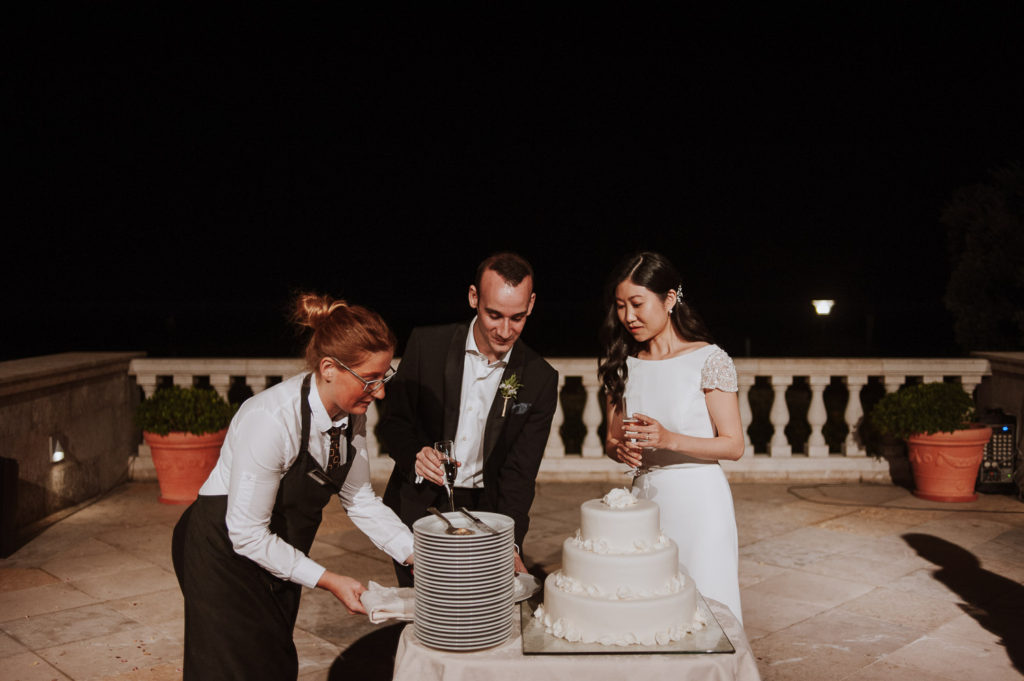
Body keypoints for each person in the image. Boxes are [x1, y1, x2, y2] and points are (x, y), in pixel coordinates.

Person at [171, 293, 415, 680]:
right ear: (329, 368)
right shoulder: (271, 420)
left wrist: (417, 554)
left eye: (385, 377)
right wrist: (329, 580)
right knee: (235, 668)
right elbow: (247, 534)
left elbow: (359, 499)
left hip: (278, 549)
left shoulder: (352, 416)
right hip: (223, 552)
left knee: (275, 662)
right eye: (370, 379)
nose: (380, 392)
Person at [380, 252, 558, 585]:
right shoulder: (427, 345)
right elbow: (393, 423)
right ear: (474, 297)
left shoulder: (540, 378)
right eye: (494, 315)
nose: (505, 330)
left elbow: (520, 473)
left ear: (531, 304)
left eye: (517, 318)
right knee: (423, 606)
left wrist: (510, 541)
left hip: (486, 511)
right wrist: (415, 455)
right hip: (418, 503)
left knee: (477, 607)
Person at [599, 251, 746, 625]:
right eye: (621, 306)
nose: (628, 317)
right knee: (649, 612)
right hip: (644, 502)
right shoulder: (622, 363)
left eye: (637, 304)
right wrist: (621, 450)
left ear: (668, 299)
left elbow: (733, 445)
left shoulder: (709, 359)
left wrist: (668, 439)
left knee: (705, 611)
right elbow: (611, 440)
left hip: (701, 503)